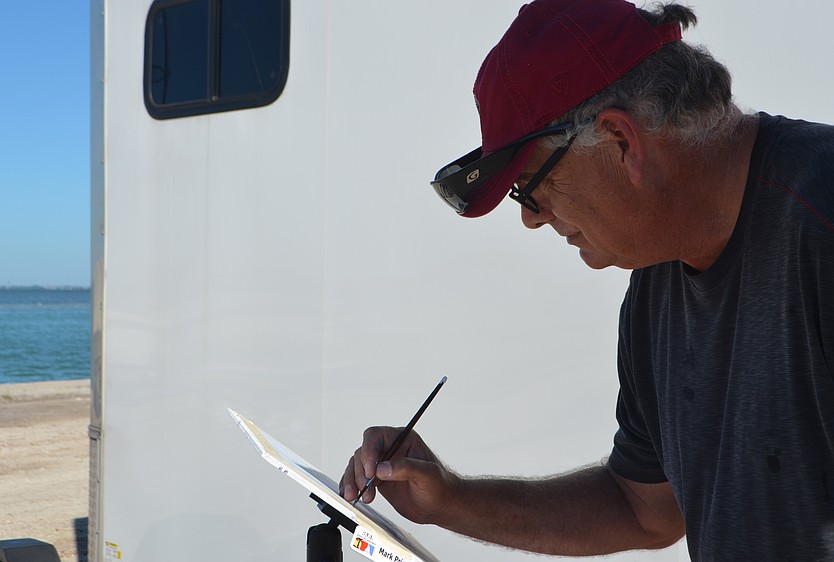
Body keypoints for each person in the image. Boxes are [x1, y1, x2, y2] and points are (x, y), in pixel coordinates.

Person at [340, 0, 834, 559]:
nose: (529, 216)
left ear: (621, 141)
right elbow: (642, 509)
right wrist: (450, 499)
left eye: (529, 185)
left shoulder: (821, 216)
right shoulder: (656, 280)